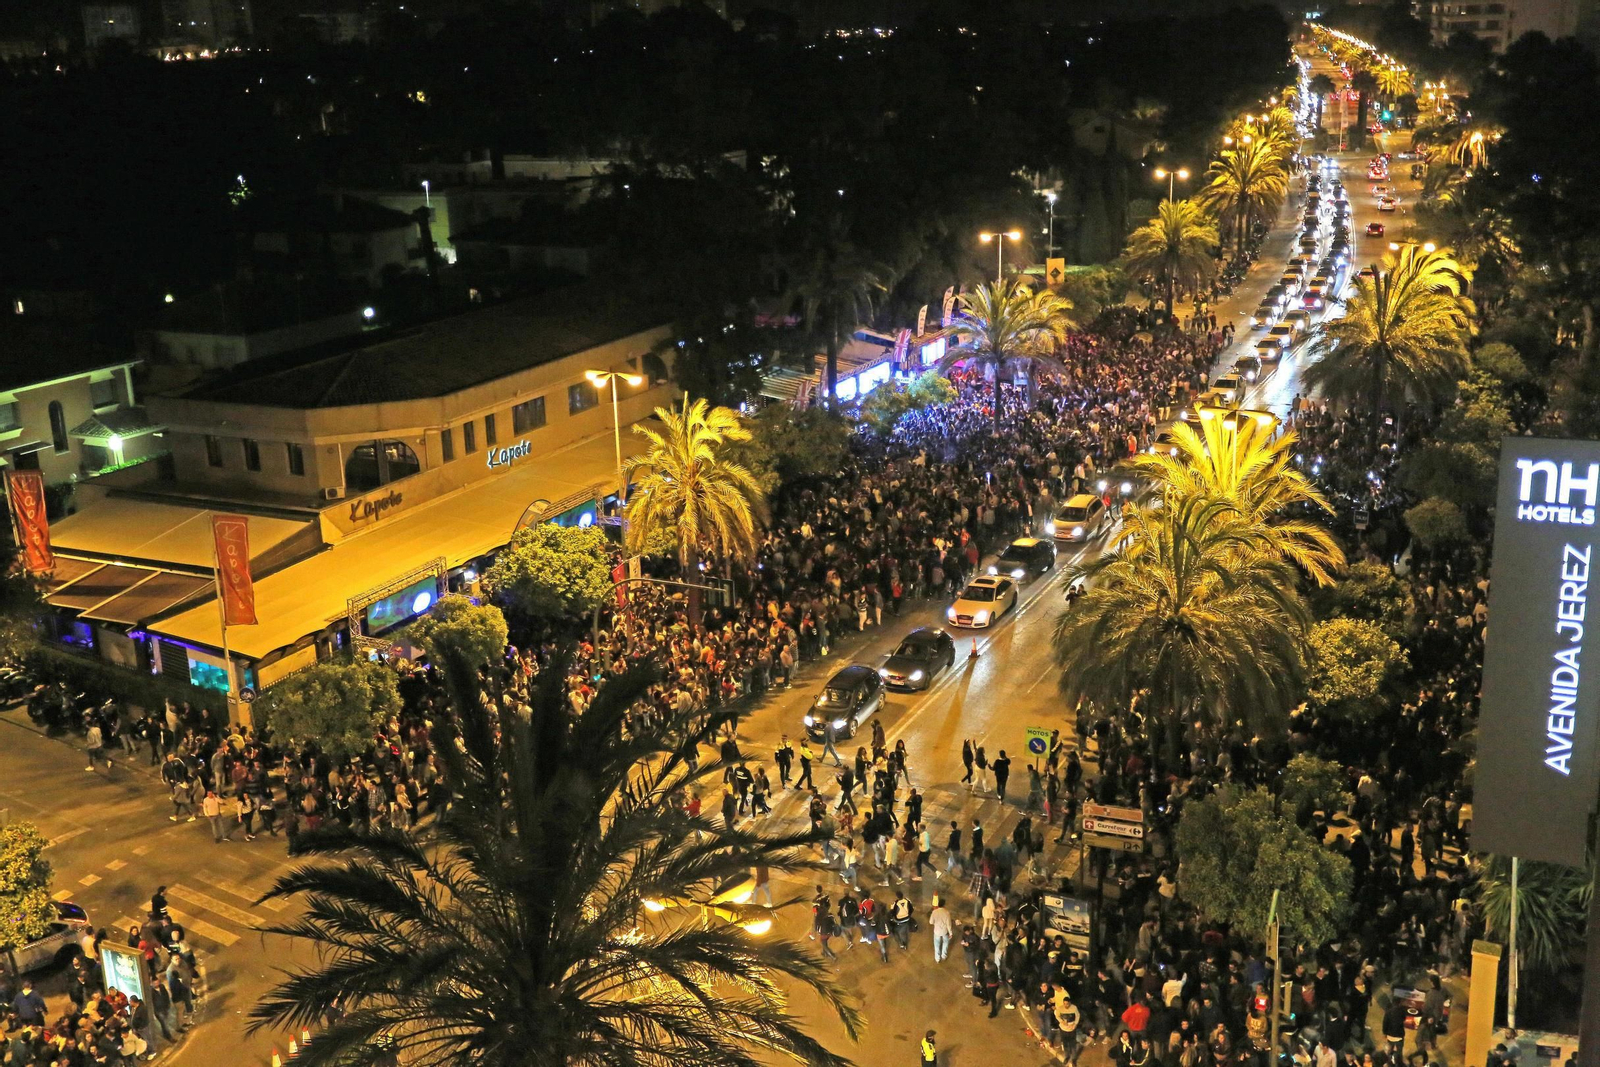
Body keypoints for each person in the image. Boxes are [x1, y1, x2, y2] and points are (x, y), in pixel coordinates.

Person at [929, 896, 953, 963]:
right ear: (944, 905)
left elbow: (930, 922)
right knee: (945, 943)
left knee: (937, 945)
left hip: (936, 931)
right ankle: (944, 956)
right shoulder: (947, 913)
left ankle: (937, 958)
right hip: (944, 931)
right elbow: (949, 924)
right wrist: (950, 933)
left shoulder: (934, 912)